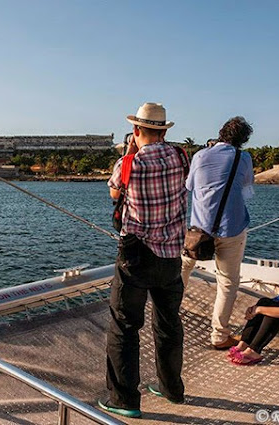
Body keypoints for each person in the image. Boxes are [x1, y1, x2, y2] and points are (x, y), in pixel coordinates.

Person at [98, 102, 188, 418]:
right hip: (171, 255)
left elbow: (114, 194)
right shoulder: (180, 157)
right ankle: (171, 388)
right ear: (163, 132)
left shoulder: (127, 163)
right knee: (169, 322)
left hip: (136, 255)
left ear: (137, 130)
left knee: (124, 326)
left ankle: (123, 399)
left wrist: (129, 154)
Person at [181, 116, 254, 350]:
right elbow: (247, 190)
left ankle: (167, 318)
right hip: (232, 229)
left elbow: (189, 186)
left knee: (182, 270)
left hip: (198, 230)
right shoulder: (243, 158)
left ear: (220, 133)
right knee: (227, 282)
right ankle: (219, 336)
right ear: (243, 140)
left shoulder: (200, 156)